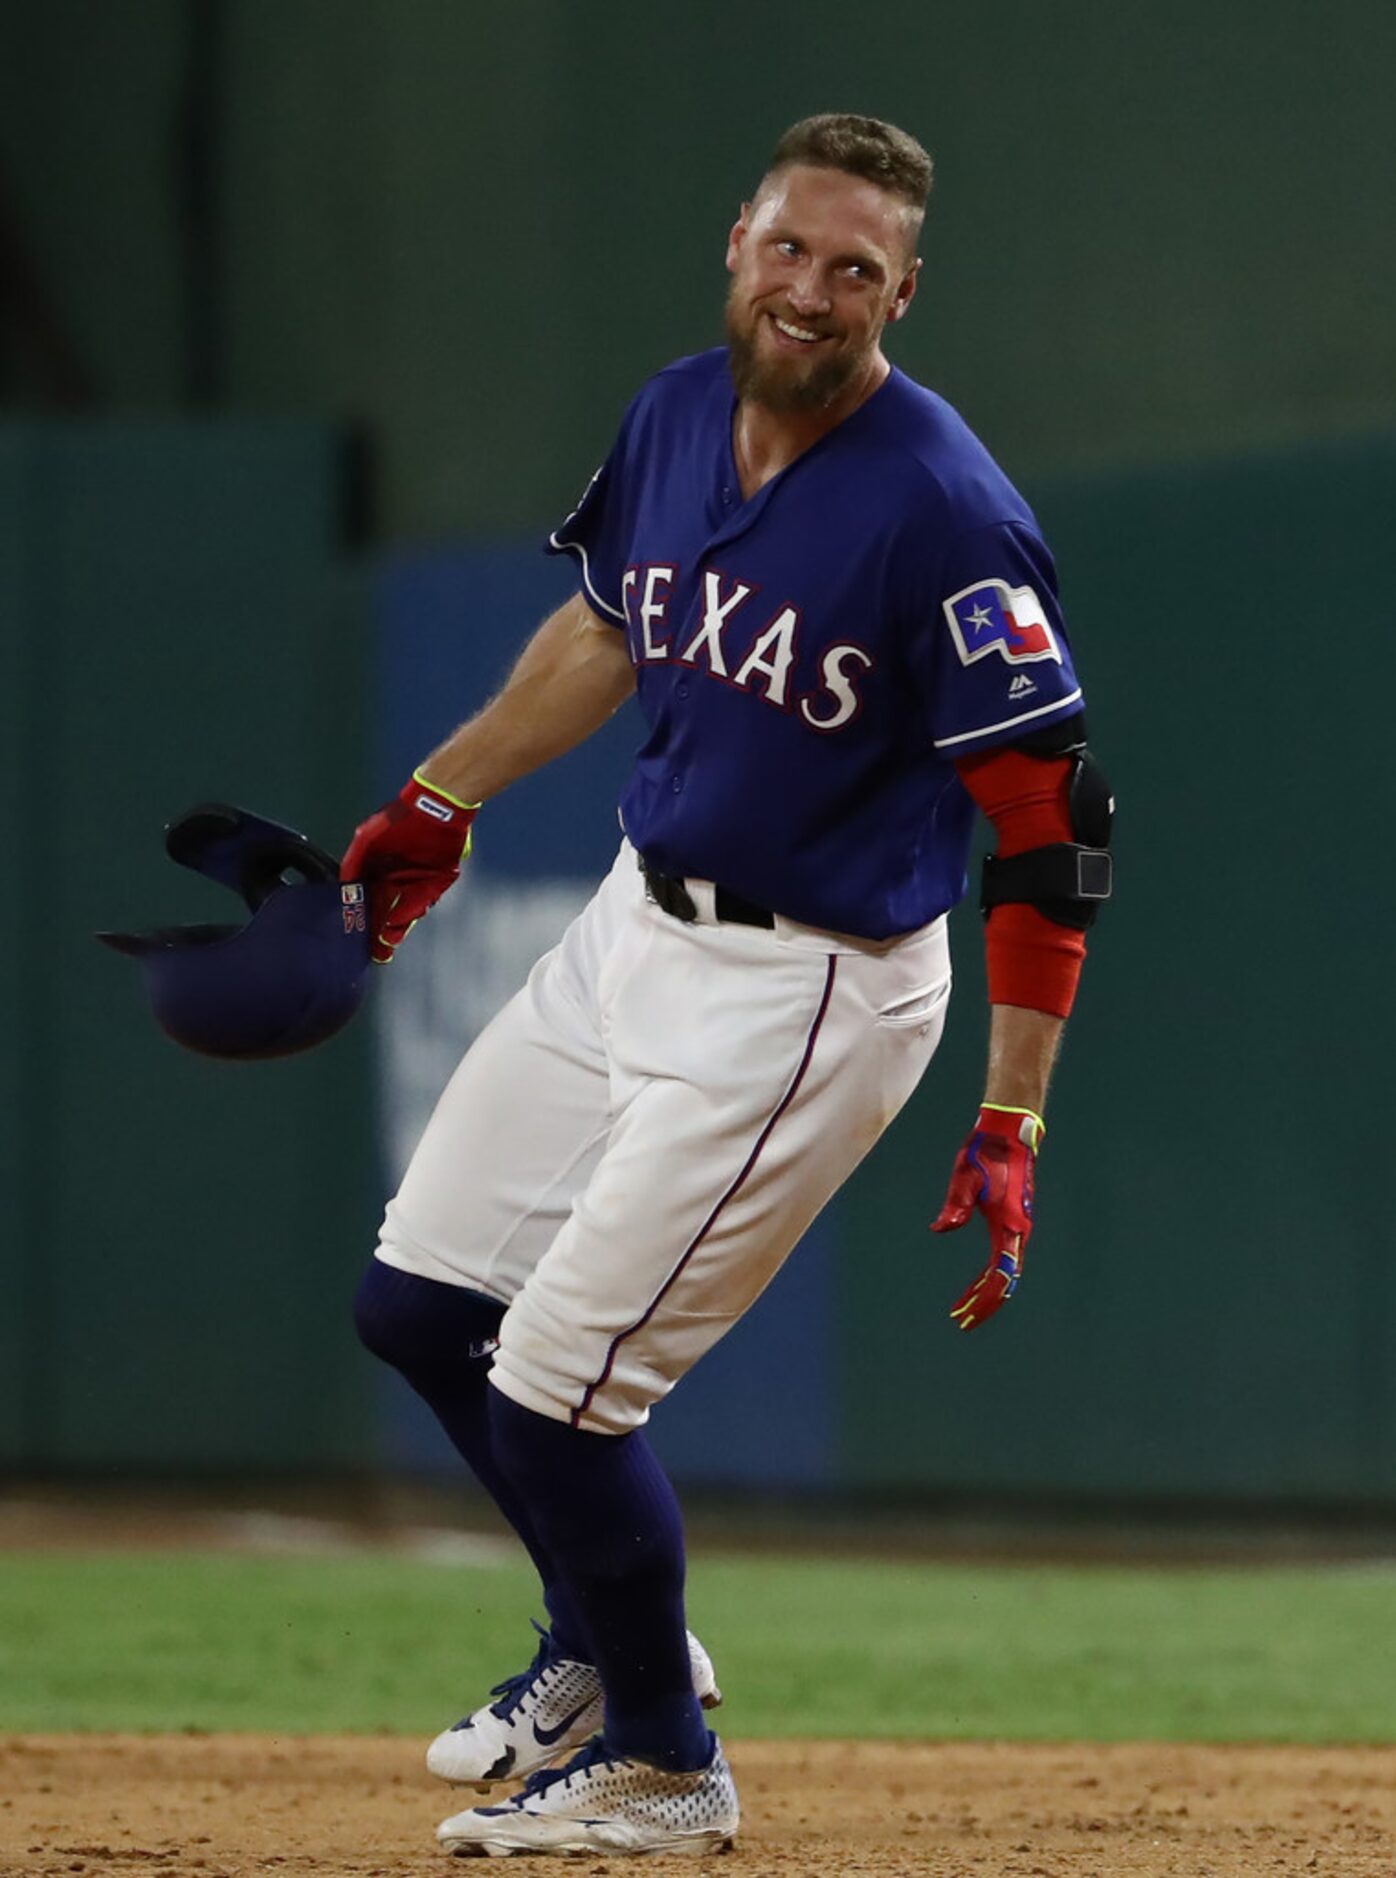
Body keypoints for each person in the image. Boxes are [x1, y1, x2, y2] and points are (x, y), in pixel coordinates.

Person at [345, 111, 1111, 1860]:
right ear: (739, 241)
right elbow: (611, 626)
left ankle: (669, 1761)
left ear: (903, 293)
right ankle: (604, 1649)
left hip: (810, 991)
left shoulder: (947, 512)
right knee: (419, 1306)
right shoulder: (680, 409)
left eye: (858, 269)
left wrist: (1014, 1108)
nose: (814, 289)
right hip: (634, 926)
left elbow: (1053, 831)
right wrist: (440, 795)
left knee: (557, 1387)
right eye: (792, 247)